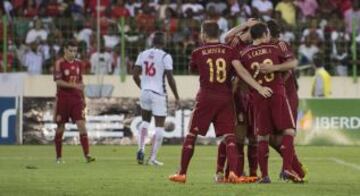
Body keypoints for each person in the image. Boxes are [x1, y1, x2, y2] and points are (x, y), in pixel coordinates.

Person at [168, 21, 272, 184]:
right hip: (226, 97)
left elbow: (193, 69)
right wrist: (258, 87)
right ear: (218, 33)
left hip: (206, 97)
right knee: (229, 136)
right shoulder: (230, 51)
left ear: (203, 34)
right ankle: (233, 174)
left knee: (191, 134)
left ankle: (182, 173)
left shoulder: (197, 52)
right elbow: (241, 71)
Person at [239, 23, 302, 183]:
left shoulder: (244, 54)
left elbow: (242, 77)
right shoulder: (274, 49)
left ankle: (265, 175)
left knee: (262, 137)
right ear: (266, 34)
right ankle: (287, 169)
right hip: (277, 94)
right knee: (288, 131)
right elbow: (292, 64)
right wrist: (274, 68)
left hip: (258, 97)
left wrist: (257, 88)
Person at [262, 20, 306, 180]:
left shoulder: (280, 45)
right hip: (274, 96)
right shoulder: (264, 48)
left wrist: (275, 73)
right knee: (273, 137)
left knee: (286, 132)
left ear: (269, 34)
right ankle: (294, 167)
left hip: (287, 95)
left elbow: (291, 65)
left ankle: (286, 169)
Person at [133, 32, 180, 166]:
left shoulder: (143, 54)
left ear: (152, 41)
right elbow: (170, 78)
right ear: (163, 42)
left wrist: (143, 87)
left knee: (145, 121)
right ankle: (152, 158)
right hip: (158, 94)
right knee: (159, 126)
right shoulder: (166, 56)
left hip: (145, 92)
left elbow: (135, 75)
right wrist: (176, 96)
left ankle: (140, 149)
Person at [53, 40, 95, 163]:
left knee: (81, 125)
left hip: (76, 99)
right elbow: (58, 82)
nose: (73, 53)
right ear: (65, 50)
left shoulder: (79, 64)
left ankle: (87, 155)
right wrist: (75, 86)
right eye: (71, 50)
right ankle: (59, 157)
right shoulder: (59, 63)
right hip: (63, 98)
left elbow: (81, 82)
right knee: (61, 127)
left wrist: (84, 98)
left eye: (75, 51)